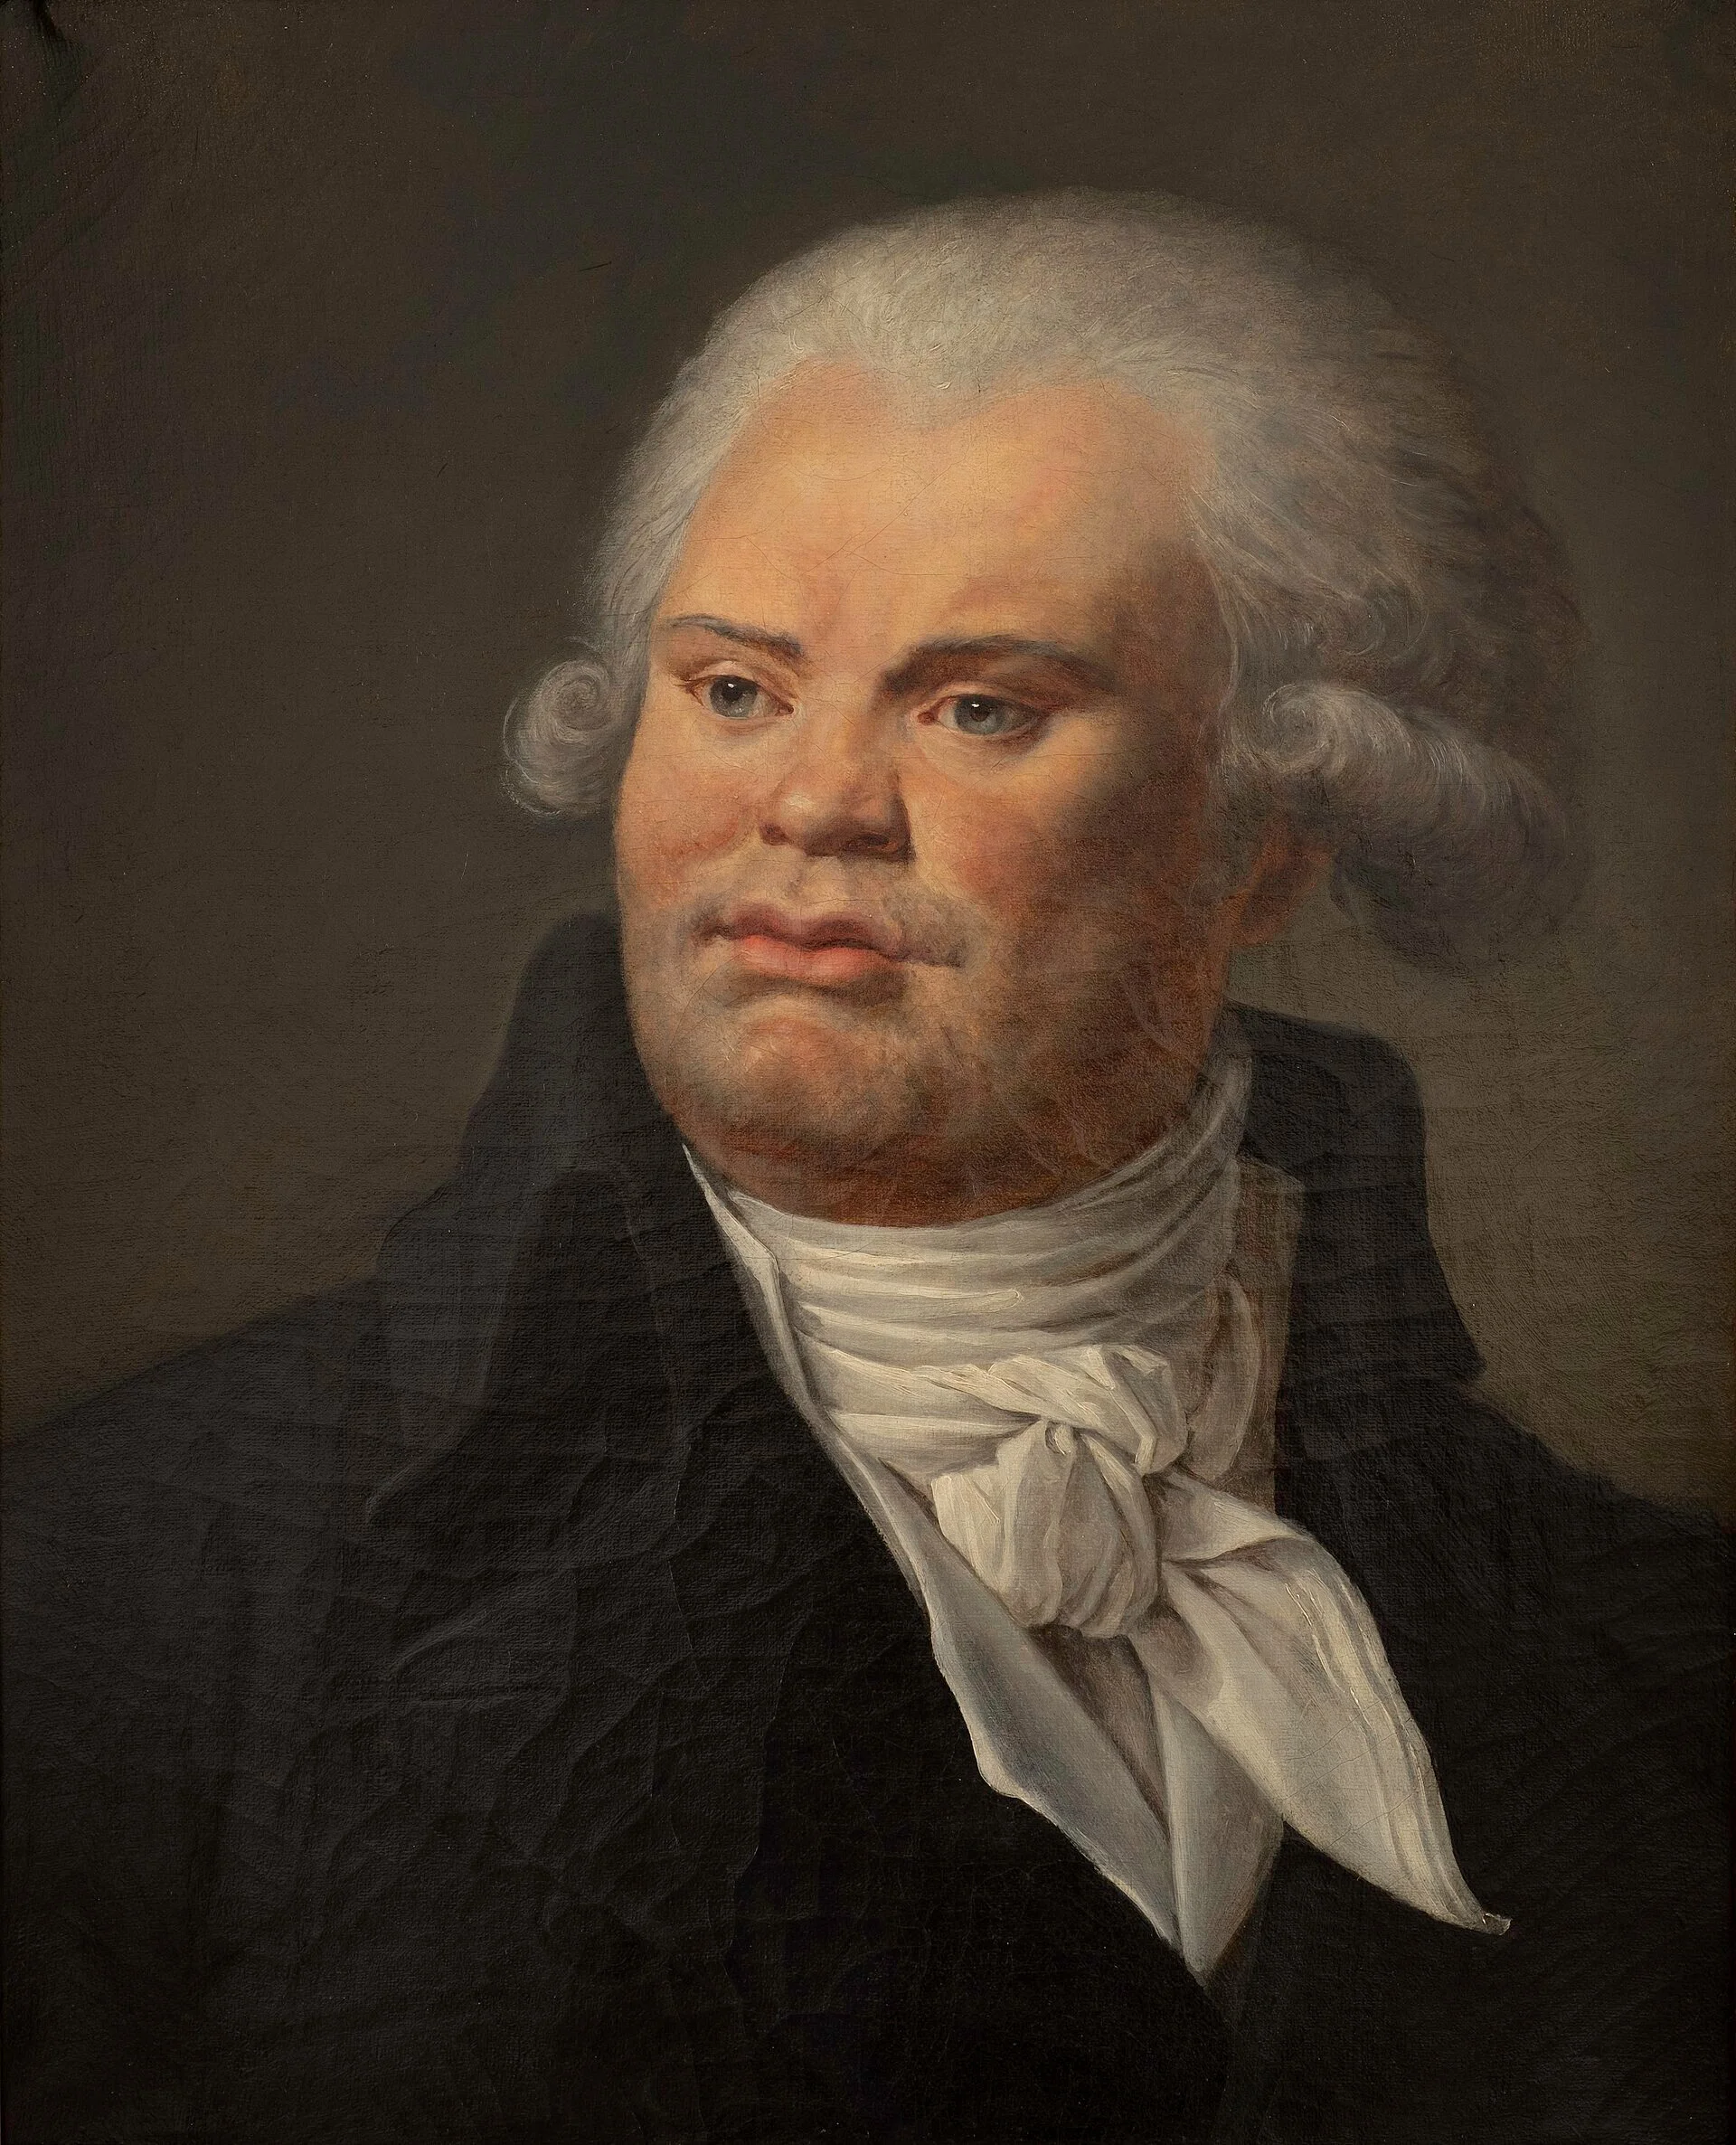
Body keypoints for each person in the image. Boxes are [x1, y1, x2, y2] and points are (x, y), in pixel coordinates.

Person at [5, 194, 1726, 2145]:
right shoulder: (118, 1597)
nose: (817, 801)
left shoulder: (1653, 1659)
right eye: (735, 690)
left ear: (1274, 830)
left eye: (980, 707)